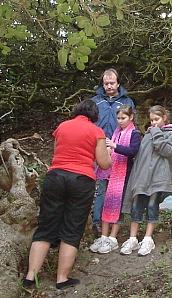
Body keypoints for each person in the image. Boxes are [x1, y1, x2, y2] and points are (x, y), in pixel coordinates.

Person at [22, 99, 111, 290]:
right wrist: (109, 153)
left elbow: (56, 154)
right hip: (81, 180)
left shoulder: (62, 127)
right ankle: (62, 278)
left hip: (56, 176)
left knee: (45, 226)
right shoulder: (97, 132)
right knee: (72, 228)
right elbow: (104, 163)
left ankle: (30, 276)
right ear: (95, 116)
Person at [119, 105, 172, 256]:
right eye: (152, 120)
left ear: (164, 118)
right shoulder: (147, 135)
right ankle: (132, 238)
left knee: (153, 205)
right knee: (137, 205)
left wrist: (157, 133)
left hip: (158, 178)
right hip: (142, 177)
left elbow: (166, 151)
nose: (153, 123)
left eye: (157, 119)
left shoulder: (171, 135)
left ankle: (148, 238)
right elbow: (140, 157)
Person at [89, 104, 141, 253]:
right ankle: (104, 236)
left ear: (131, 118)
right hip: (110, 172)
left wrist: (114, 146)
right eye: (118, 118)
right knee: (106, 202)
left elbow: (133, 151)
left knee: (118, 204)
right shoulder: (116, 132)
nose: (120, 121)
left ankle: (113, 237)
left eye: (123, 118)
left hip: (124, 174)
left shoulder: (135, 133)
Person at [91, 68, 136, 231]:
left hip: (119, 148)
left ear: (118, 83)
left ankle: (115, 221)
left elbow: (131, 125)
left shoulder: (126, 102)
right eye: (106, 84)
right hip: (99, 147)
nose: (109, 86)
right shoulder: (96, 101)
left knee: (117, 186)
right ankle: (97, 222)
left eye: (112, 83)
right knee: (101, 186)